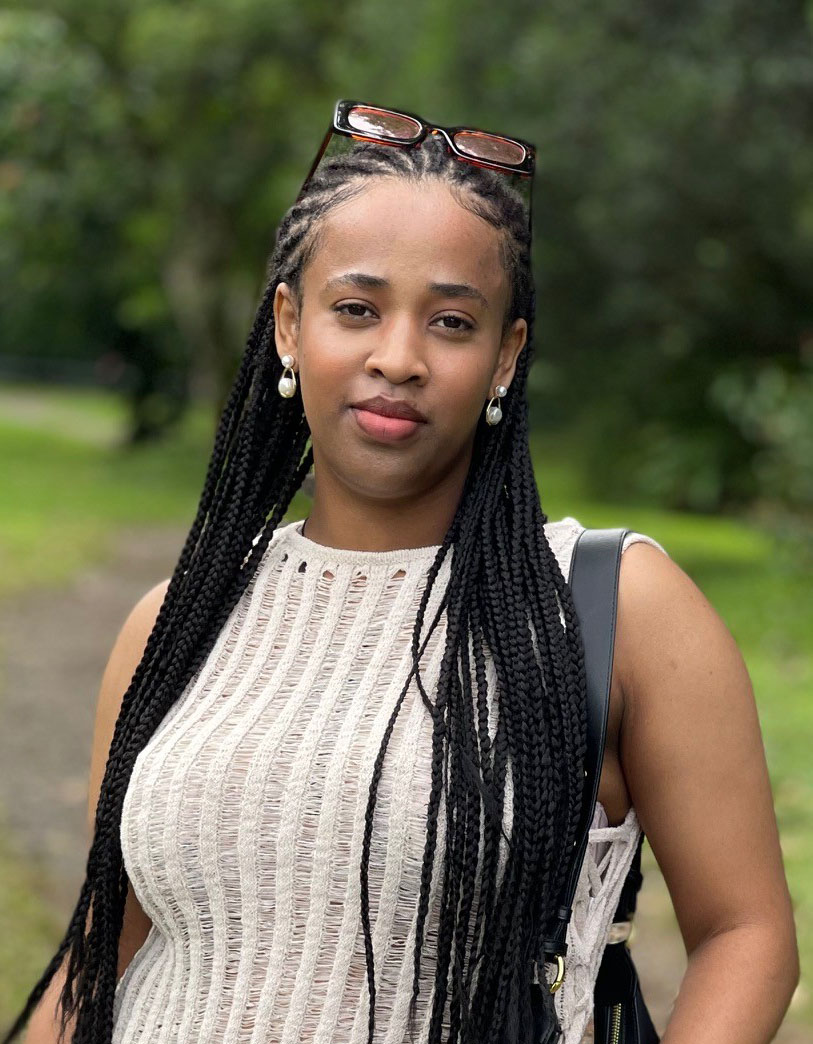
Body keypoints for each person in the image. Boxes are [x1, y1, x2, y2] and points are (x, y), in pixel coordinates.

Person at [7, 102, 799, 1044]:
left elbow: (745, 934)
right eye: (356, 309)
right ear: (290, 327)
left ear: (506, 355)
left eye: (452, 323)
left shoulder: (612, 607)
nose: (398, 358)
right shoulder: (174, 622)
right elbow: (103, 952)